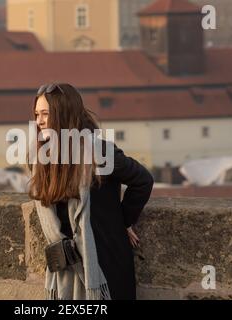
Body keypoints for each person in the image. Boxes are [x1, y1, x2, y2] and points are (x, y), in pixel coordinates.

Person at [28, 83, 154, 300]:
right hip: (65, 265)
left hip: (105, 261)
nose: (39, 121)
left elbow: (143, 180)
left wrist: (123, 220)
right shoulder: (42, 159)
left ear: (64, 115)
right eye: (37, 114)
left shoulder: (99, 152)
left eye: (46, 114)